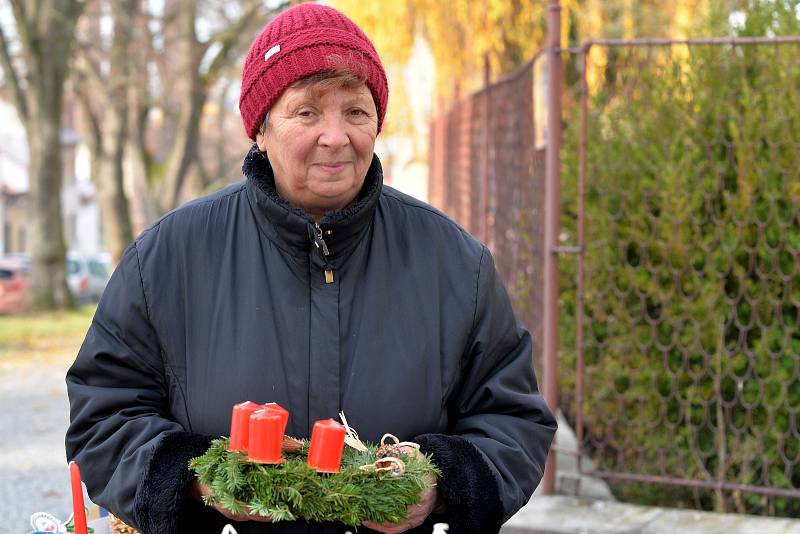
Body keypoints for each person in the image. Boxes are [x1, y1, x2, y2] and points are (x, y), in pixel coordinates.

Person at [65, 4, 556, 533]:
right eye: (306, 112)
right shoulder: (168, 257)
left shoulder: (456, 263)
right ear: (261, 129)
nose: (335, 136)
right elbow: (103, 415)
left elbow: (514, 420)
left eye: (355, 111)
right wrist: (198, 480)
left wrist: (441, 486)